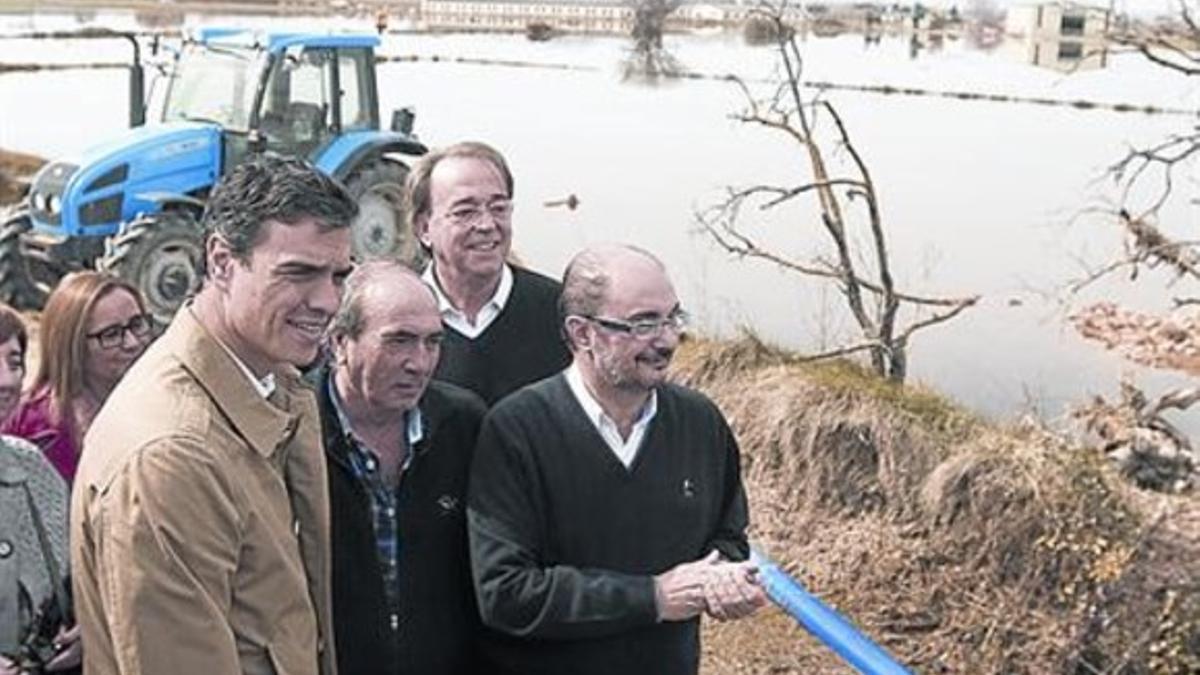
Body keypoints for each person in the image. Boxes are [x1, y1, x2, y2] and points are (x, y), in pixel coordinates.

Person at [70, 155, 357, 675]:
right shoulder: (172, 454)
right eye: (299, 273)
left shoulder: (273, 384)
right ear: (222, 261)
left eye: (339, 275)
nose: (328, 301)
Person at [468, 243, 766, 675]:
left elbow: (728, 537)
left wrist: (723, 581)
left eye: (673, 318)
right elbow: (506, 592)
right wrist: (653, 598)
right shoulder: (517, 430)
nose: (666, 339)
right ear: (581, 333)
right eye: (643, 323)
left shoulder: (701, 423)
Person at [315, 260, 488, 675]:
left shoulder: (463, 424)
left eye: (433, 342)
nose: (420, 362)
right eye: (400, 341)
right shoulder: (295, 432)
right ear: (339, 342)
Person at [406, 141, 571, 405]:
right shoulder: (395, 314)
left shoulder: (560, 312)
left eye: (498, 208)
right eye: (465, 212)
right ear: (424, 228)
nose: (486, 224)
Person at [2, 272, 151, 485]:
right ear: (73, 345)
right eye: (111, 335)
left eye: (137, 325)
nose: (132, 342)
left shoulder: (162, 407)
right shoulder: (28, 428)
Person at [0, 302, 80, 674]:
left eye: (14, 363)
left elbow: (79, 581)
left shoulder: (33, 468)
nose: (6, 380)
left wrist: (85, 630)